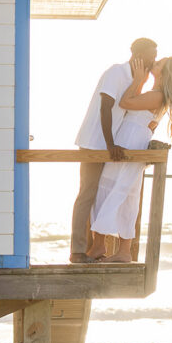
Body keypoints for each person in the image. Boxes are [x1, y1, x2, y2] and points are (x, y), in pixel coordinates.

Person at [88, 55, 172, 263]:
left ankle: (113, 249)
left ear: (164, 73)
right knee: (117, 191)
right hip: (132, 138)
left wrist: (137, 82)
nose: (154, 64)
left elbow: (125, 102)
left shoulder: (158, 95)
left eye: (158, 64)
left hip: (132, 141)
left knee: (117, 191)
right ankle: (107, 247)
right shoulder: (155, 94)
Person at [70, 38, 158, 264]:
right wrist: (110, 144)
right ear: (137, 54)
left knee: (102, 194)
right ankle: (77, 252)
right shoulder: (116, 72)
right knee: (87, 193)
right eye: (151, 55)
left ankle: (95, 249)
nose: (153, 60)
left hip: (110, 145)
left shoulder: (136, 80)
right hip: (94, 142)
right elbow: (105, 107)